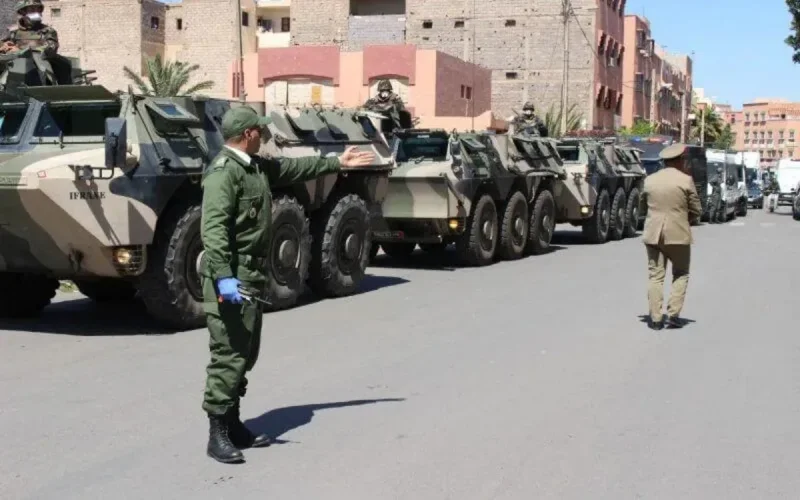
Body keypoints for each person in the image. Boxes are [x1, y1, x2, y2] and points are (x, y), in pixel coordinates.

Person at [200, 105, 375, 464]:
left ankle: (233, 425)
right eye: (259, 131)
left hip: (250, 277)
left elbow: (294, 168)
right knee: (228, 354)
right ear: (247, 134)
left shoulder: (254, 168)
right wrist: (223, 278)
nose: (264, 136)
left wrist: (336, 162)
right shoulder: (224, 174)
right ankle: (217, 434)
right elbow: (213, 231)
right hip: (231, 278)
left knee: (245, 354)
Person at [639, 143, 702, 331]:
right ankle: (673, 315)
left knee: (655, 277)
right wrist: (685, 219)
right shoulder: (686, 180)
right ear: (680, 160)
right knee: (681, 273)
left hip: (653, 235)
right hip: (678, 235)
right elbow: (697, 209)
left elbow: (642, 207)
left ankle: (656, 319)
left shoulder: (649, 180)